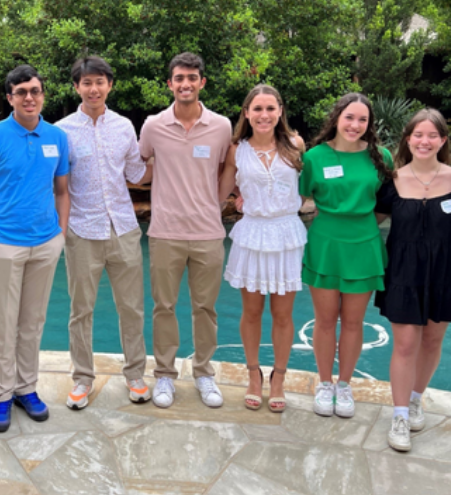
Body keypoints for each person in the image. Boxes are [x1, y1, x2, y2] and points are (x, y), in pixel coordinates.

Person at [0, 64, 70, 432]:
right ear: (9, 97)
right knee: (4, 324)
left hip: (45, 243)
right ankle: (3, 395)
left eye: (35, 91)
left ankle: (27, 388)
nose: (29, 97)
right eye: (21, 91)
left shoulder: (56, 136)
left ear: (43, 95)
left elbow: (62, 190)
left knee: (33, 322)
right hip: (4, 244)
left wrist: (61, 234)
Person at [55, 56, 153, 409]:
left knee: (132, 308)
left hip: (124, 228)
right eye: (86, 82)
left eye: (99, 81)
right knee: (81, 310)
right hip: (81, 230)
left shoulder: (125, 126)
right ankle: (82, 378)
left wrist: (164, 154)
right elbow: (56, 184)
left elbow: (137, 174)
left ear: (110, 84)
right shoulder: (61, 130)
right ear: (76, 87)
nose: (93, 88)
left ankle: (136, 375)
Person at [139, 52, 233, 409]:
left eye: (192, 78)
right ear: (170, 84)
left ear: (202, 82)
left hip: (209, 233)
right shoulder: (153, 126)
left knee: (205, 308)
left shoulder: (222, 126)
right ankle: (164, 374)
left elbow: (228, 166)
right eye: (179, 78)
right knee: (164, 306)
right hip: (165, 232)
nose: (185, 84)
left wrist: (216, 203)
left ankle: (204, 373)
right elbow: (142, 164)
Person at [374, 109, 451, 451]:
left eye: (432, 135)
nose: (424, 141)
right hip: (402, 273)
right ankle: (399, 415)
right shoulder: (392, 180)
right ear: (407, 139)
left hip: (447, 273)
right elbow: (367, 222)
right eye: (418, 135)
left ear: (443, 140)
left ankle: (416, 399)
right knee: (404, 345)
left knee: (431, 341)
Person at [298, 93, 393, 418]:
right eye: (349, 117)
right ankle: (324, 383)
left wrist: (362, 226)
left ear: (369, 124)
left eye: (362, 119)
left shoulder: (382, 157)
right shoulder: (314, 157)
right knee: (325, 321)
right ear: (337, 118)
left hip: (364, 246)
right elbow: (297, 198)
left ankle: (344, 384)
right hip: (325, 244)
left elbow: (385, 204)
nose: (355, 125)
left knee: (354, 322)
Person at [218, 84, 306, 412]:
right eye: (257, 108)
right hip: (252, 234)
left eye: (270, 108)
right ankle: (254, 374)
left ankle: (279, 377)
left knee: (283, 315)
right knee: (252, 312)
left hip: (286, 235)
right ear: (246, 113)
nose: (264, 115)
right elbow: (222, 191)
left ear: (280, 111)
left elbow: (310, 185)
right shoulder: (236, 149)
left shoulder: (296, 145)